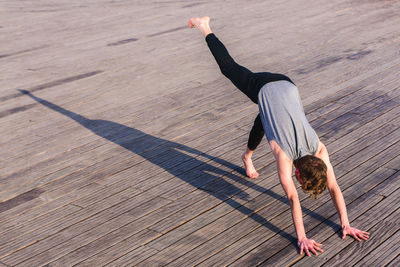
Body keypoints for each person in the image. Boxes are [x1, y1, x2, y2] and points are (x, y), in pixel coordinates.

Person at [188, 16, 370, 257]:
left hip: (287, 85)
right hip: (265, 86)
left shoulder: (319, 151)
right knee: (229, 68)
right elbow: (294, 199)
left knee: (266, 118)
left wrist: (346, 224)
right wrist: (302, 237)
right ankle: (205, 26)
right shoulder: (284, 157)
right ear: (298, 173)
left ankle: (247, 156)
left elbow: (334, 187)